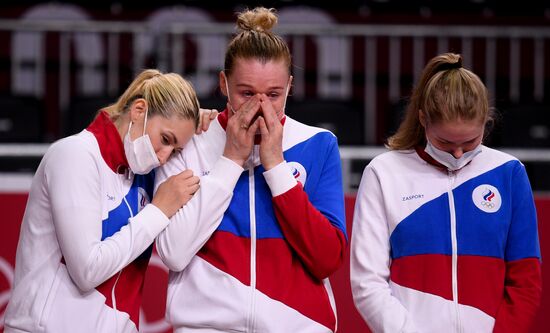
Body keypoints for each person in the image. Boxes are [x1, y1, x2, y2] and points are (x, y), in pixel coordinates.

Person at [155, 7, 347, 333]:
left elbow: (327, 260)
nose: (260, 107)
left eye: (273, 95)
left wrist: (276, 167)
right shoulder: (190, 141)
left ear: (290, 86)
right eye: (246, 93)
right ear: (223, 84)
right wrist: (230, 160)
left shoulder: (319, 144)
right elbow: (173, 253)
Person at [4, 69, 213, 332]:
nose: (164, 157)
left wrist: (208, 124)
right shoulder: (75, 155)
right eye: (165, 140)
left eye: (176, 150)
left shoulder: (144, 173)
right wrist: (159, 210)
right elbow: (87, 271)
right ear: (139, 110)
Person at [350, 53, 542, 333]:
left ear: (486, 123)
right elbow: (368, 282)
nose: (458, 152)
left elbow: (525, 279)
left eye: (470, 141)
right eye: (445, 142)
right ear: (423, 119)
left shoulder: (509, 172)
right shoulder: (384, 173)